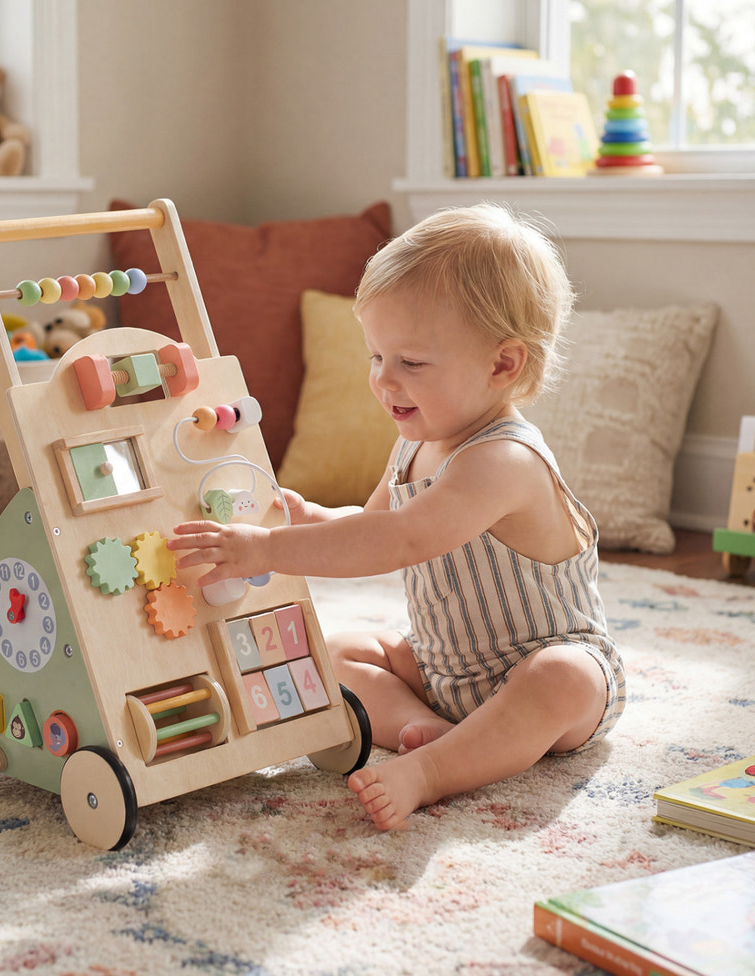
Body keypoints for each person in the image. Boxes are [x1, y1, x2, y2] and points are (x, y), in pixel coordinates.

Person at [170, 203, 625, 832]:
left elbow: (398, 540)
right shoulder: (414, 443)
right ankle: (447, 737)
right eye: (375, 357)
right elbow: (369, 519)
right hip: (445, 668)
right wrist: (310, 519)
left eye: (410, 362)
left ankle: (432, 770)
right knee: (328, 652)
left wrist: (267, 551)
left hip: (542, 669)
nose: (384, 381)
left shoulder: (503, 460)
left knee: (561, 678)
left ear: (502, 364)